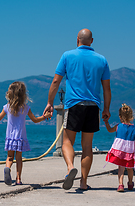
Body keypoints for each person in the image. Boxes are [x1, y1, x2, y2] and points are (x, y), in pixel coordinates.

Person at [43, 28, 111, 190]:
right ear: (92, 41)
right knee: (87, 146)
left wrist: (49, 103)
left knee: (67, 141)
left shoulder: (67, 56)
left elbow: (55, 82)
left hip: (74, 105)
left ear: (77, 40)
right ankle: (83, 182)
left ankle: (69, 168)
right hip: (93, 106)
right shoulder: (102, 60)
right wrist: (106, 109)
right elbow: (107, 89)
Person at [0, 81, 50, 185]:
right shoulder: (25, 108)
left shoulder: (7, 107)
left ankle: (7, 168)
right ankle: (18, 179)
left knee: (9, 157)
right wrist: (45, 116)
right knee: (19, 159)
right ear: (23, 94)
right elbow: (35, 120)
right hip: (20, 137)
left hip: (10, 137)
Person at [104, 104, 135, 192]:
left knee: (121, 168)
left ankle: (120, 185)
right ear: (131, 116)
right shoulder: (134, 128)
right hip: (130, 150)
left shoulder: (118, 126)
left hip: (120, 150)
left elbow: (110, 130)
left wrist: (106, 122)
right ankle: (130, 183)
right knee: (130, 168)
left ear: (120, 116)